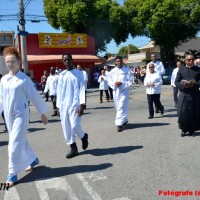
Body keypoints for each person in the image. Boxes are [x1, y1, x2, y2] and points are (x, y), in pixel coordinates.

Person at [0, 47, 48, 188]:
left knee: (14, 143)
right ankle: (32, 160)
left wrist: (42, 113)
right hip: (9, 115)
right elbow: (1, 99)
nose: (10, 64)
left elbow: (34, 96)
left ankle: (12, 173)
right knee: (20, 140)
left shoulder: (24, 79)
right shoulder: (3, 79)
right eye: (8, 61)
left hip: (21, 115)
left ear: (19, 61)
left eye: (13, 61)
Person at [56, 53, 88, 159]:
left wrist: (82, 105)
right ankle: (73, 148)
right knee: (66, 127)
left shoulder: (79, 74)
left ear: (72, 60)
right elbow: (59, 92)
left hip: (75, 104)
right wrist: (58, 107)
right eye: (65, 60)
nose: (67, 62)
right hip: (63, 105)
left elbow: (82, 89)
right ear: (63, 62)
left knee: (75, 125)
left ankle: (83, 137)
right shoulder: (61, 75)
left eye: (68, 60)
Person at [175, 53, 200, 137]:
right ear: (185, 60)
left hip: (194, 94)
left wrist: (194, 84)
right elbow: (177, 81)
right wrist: (183, 85)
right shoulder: (181, 69)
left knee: (194, 112)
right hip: (184, 93)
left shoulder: (198, 69)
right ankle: (183, 129)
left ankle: (192, 130)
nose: (191, 61)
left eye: (192, 59)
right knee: (182, 112)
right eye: (189, 59)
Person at [107, 56, 133, 132]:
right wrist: (114, 84)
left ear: (122, 61)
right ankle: (124, 119)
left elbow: (130, 81)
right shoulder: (112, 71)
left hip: (124, 90)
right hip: (115, 91)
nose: (119, 62)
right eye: (118, 61)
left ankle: (119, 124)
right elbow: (109, 80)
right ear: (115, 62)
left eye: (120, 61)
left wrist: (122, 83)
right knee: (118, 106)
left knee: (122, 105)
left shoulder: (127, 70)